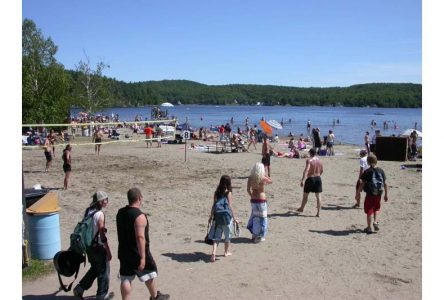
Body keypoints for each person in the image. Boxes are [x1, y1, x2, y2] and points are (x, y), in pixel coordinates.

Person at [116, 188, 170, 300]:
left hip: (124, 251)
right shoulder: (139, 216)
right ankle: (155, 297)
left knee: (126, 278)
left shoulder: (120, 213)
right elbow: (140, 237)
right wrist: (143, 258)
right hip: (137, 252)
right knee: (149, 274)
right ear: (139, 198)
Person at [73, 192, 112, 300]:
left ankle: (80, 289)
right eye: (105, 199)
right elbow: (102, 233)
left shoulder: (88, 211)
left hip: (88, 246)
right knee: (104, 271)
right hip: (97, 246)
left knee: (95, 268)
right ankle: (102, 295)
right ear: (100, 202)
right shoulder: (99, 214)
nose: (107, 201)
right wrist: (108, 250)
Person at [207, 175, 239, 262]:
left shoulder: (216, 192)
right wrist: (235, 218)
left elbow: (214, 206)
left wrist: (211, 216)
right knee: (227, 236)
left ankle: (213, 252)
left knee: (217, 237)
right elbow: (230, 206)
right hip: (226, 218)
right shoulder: (228, 193)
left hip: (217, 218)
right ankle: (226, 252)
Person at [355, 153, 389, 234]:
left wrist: (357, 193)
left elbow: (362, 184)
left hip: (370, 194)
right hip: (379, 193)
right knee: (376, 208)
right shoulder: (381, 170)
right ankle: (375, 222)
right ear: (376, 161)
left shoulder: (367, 172)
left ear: (368, 162)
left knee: (369, 210)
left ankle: (369, 227)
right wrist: (386, 194)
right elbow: (385, 183)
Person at [246, 162, 272, 243]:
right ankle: (260, 236)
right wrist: (266, 174)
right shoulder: (263, 178)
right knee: (263, 218)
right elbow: (271, 181)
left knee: (255, 217)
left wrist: (251, 195)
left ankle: (254, 234)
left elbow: (248, 189)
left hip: (253, 199)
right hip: (261, 199)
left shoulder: (250, 178)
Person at [297, 148, 323, 217]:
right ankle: (318, 213)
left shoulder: (309, 160)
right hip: (318, 178)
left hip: (310, 179)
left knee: (305, 195)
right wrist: (318, 175)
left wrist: (303, 179)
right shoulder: (319, 160)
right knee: (318, 196)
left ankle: (302, 208)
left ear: (310, 153)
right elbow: (321, 170)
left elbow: (306, 170)